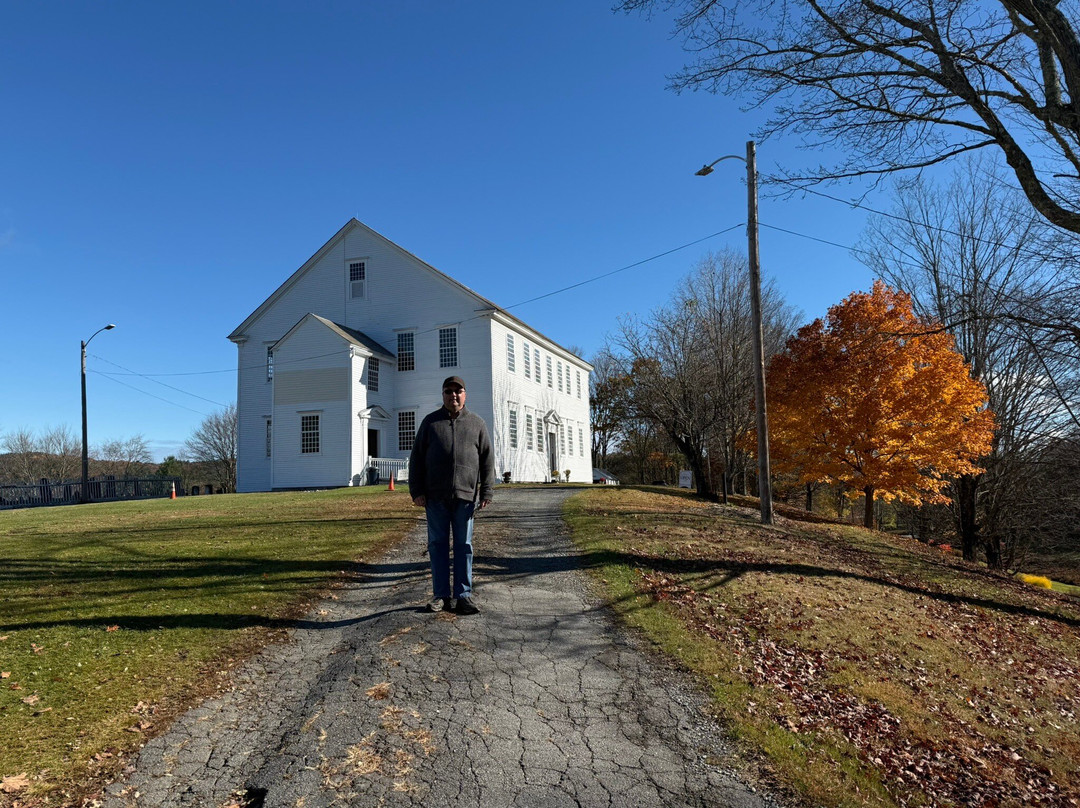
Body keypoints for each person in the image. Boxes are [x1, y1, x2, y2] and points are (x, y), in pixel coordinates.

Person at [408, 375, 495, 615]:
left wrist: (487, 490)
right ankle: (441, 595)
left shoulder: (477, 423)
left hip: (465, 497)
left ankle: (463, 595)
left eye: (458, 391)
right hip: (435, 497)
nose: (453, 395)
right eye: (448, 391)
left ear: (465, 395)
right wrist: (416, 491)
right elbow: (416, 459)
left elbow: (487, 460)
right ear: (443, 395)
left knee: (463, 546)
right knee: (437, 545)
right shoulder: (430, 423)